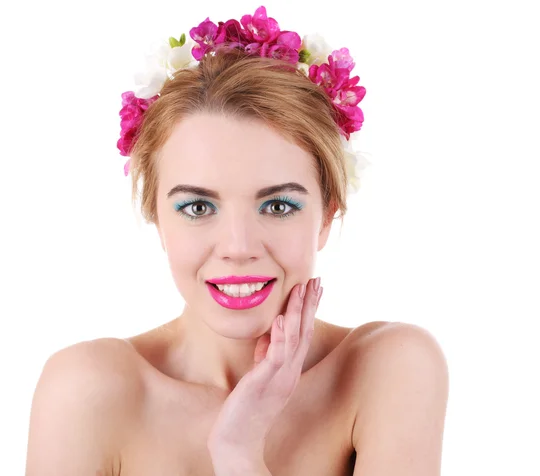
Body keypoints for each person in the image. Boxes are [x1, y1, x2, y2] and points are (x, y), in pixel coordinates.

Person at [25, 6, 449, 476]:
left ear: (329, 214)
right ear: (157, 217)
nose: (239, 246)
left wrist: (239, 451)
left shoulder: (388, 370)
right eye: (198, 208)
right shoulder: (87, 391)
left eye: (278, 206)